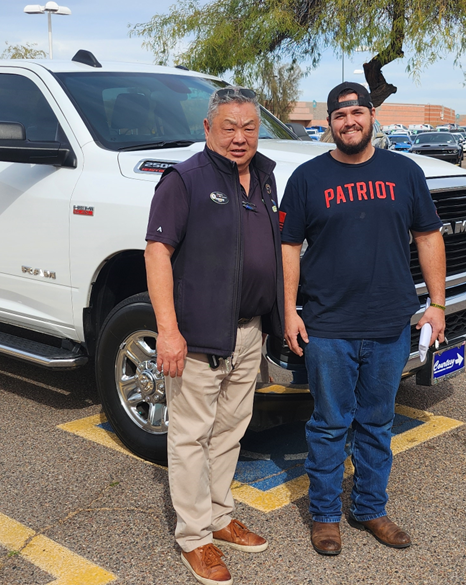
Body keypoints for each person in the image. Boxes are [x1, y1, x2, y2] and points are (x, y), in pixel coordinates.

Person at [280, 82, 446, 556]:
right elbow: (288, 247)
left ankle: (370, 508)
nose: (349, 121)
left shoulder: (405, 171)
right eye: (339, 115)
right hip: (327, 326)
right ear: (328, 122)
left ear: (372, 115)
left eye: (357, 112)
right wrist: (289, 310)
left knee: (377, 422)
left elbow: (429, 236)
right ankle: (326, 516)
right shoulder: (308, 178)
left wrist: (437, 303)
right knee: (330, 424)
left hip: (390, 323)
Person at [144, 86, 284, 585]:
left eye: (249, 127)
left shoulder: (265, 176)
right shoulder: (184, 180)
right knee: (190, 438)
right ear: (208, 129)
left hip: (247, 333)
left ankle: (220, 517)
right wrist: (168, 332)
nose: (240, 137)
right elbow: (157, 252)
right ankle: (194, 538)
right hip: (200, 338)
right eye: (229, 127)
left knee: (229, 433)